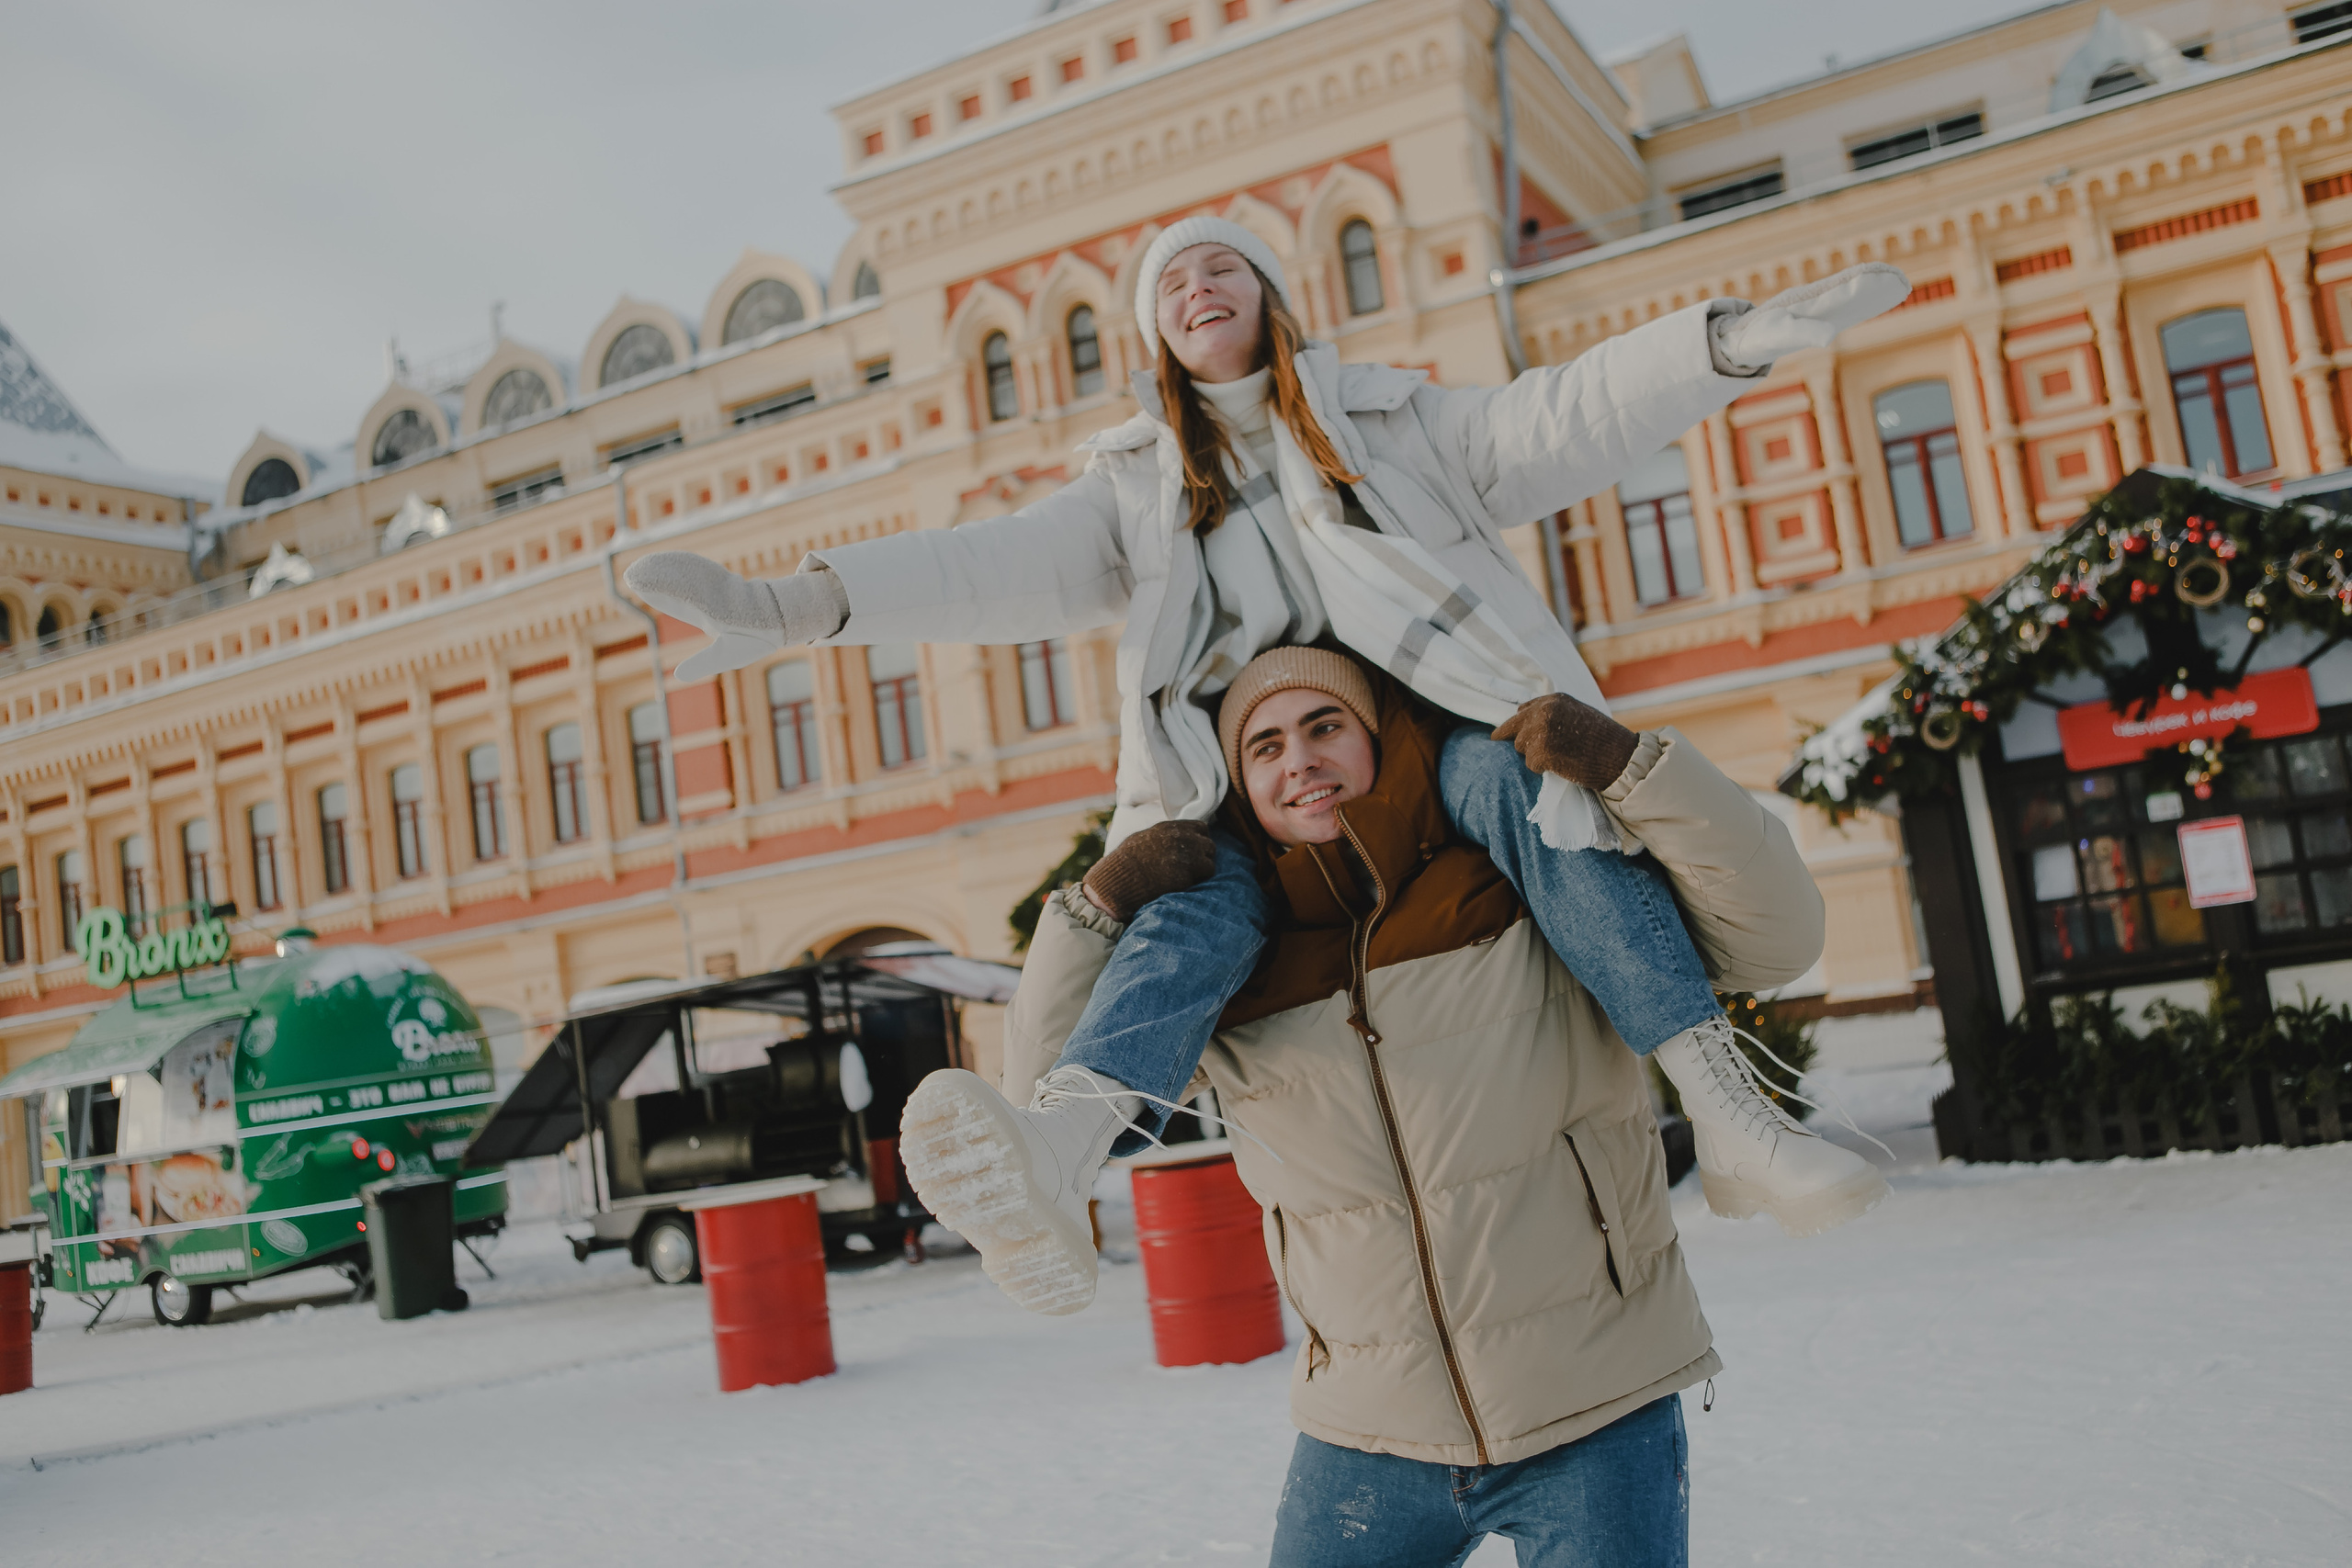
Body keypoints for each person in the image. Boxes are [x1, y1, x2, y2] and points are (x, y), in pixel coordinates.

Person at [627, 220, 1905, 1308]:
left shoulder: (1391, 422)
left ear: (1270, 293)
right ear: (1156, 338)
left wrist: (1722, 345)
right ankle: (1064, 1142)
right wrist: (796, 606)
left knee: (1544, 799)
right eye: (1171, 284)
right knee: (1183, 904)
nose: (1198, 287)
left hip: (1434, 728)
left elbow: (1559, 414)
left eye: (1221, 265)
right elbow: (984, 564)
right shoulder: (1133, 491)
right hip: (1242, 778)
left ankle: (1734, 1117)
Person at [947, 647, 1825, 1566]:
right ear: (1238, 783)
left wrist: (1635, 770)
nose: (1300, 762)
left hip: (1596, 1406)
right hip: (1363, 1435)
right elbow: (1049, 1104)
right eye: (1266, 746)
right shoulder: (1227, 969)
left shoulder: (1524, 884)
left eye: (1325, 727)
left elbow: (1777, 938)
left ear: (1380, 738)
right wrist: (1090, 907)